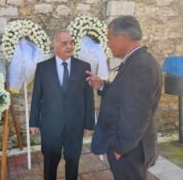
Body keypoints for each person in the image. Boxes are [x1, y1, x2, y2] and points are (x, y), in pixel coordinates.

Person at [87, 15, 162, 180]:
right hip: (128, 147)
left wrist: (120, 148)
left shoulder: (141, 66)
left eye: (110, 38)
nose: (108, 43)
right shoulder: (135, 61)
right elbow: (125, 95)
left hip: (129, 151)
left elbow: (136, 114)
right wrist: (102, 86)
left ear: (124, 38)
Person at [29, 30, 95, 180]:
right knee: (50, 164)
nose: (69, 46)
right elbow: (37, 96)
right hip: (50, 125)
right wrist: (33, 122)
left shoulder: (84, 67)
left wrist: (89, 124)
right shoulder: (42, 68)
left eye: (71, 43)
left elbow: (88, 98)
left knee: (73, 163)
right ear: (55, 45)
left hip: (75, 125)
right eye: (64, 43)